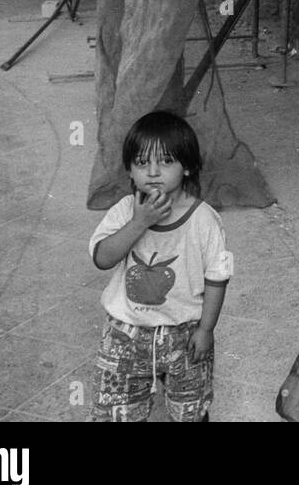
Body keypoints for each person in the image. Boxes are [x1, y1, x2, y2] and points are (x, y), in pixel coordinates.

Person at [89, 111, 233, 422]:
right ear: (129, 168)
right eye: (142, 163)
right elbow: (102, 258)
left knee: (190, 410)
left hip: (185, 333)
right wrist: (140, 222)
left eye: (166, 162)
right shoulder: (124, 210)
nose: (153, 172)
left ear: (188, 166)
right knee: (116, 412)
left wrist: (206, 329)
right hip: (124, 334)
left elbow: (217, 277)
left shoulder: (204, 219)